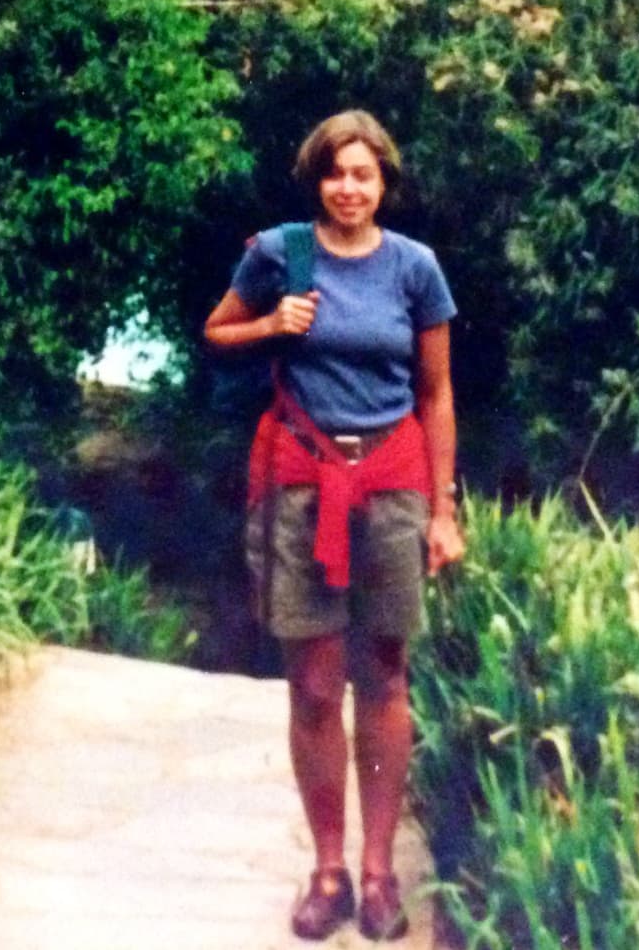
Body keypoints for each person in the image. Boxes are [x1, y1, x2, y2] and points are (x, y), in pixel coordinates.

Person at [202, 109, 465, 942]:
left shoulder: (415, 269)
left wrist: (444, 511)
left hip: (391, 483)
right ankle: (328, 869)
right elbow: (215, 334)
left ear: (384, 183)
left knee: (384, 677)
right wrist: (269, 324)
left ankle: (382, 871)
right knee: (315, 685)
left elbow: (436, 395)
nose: (349, 188)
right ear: (317, 179)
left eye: (365, 175)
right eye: (335, 173)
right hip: (300, 482)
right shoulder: (284, 253)